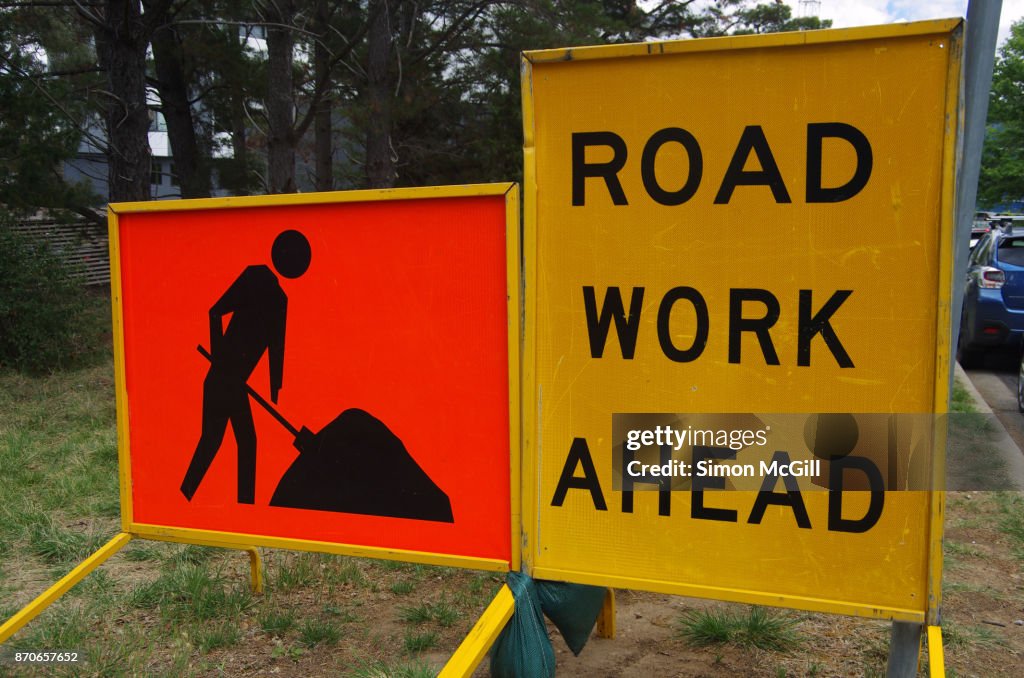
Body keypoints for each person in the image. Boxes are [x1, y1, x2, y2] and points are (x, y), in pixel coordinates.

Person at [180, 229, 311, 503]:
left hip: (234, 382)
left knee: (242, 442)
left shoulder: (280, 300)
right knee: (214, 440)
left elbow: (278, 349)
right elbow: (215, 311)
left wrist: (276, 390)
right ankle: (186, 496)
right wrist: (219, 359)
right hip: (222, 378)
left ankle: (242, 506)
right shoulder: (255, 276)